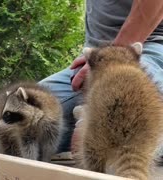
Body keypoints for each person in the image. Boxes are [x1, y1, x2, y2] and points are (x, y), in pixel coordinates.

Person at [39, 0, 163, 153]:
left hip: (149, 51)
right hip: (95, 60)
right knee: (24, 120)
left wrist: (111, 58)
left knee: (128, 123)